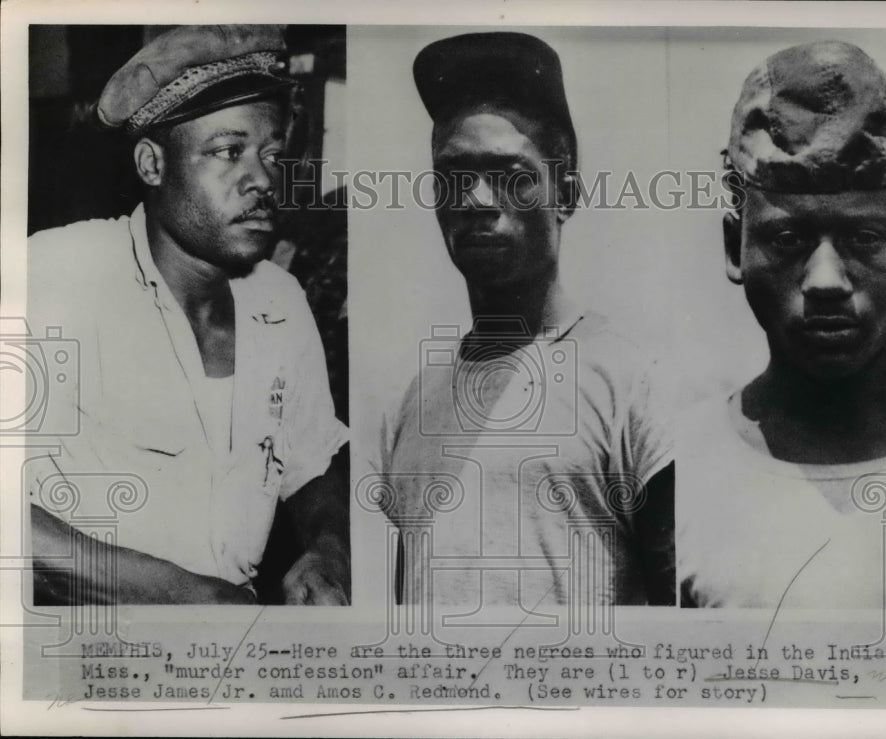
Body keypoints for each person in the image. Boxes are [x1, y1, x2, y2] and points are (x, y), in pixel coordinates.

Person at [27, 25, 350, 605]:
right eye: (229, 152)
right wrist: (181, 596)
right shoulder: (58, 274)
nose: (262, 179)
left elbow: (312, 461)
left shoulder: (279, 300)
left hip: (239, 640)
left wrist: (328, 548)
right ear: (152, 164)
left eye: (272, 154)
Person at [379, 32, 675, 609]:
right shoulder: (414, 401)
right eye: (453, 177)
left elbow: (680, 625)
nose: (477, 200)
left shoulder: (630, 379)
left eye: (509, 174)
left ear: (565, 190)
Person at [677, 40, 886, 609]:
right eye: (787, 240)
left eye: (864, 238)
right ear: (734, 249)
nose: (825, 280)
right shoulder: (677, 474)